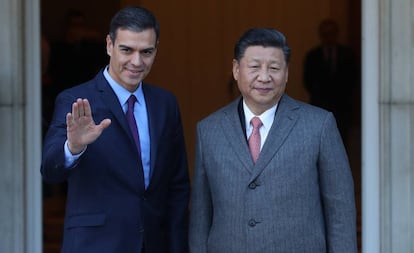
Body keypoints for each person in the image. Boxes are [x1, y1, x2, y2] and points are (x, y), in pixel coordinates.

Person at [189, 28, 357, 252]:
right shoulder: (209, 130)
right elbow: (201, 215)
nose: (265, 77)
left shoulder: (319, 125)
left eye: (275, 68)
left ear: (286, 73)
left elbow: (340, 209)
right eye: (255, 67)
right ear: (236, 69)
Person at [41, 6, 190, 253]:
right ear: (109, 45)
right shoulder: (76, 99)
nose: (137, 61)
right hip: (95, 244)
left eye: (147, 52)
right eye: (127, 50)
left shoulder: (165, 104)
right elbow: (49, 170)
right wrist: (73, 147)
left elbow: (177, 185)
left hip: (153, 244)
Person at [303, 18, 358, 144]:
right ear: (321, 35)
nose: (328, 37)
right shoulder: (313, 56)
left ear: (336, 34)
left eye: (331, 33)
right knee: (319, 142)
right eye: (325, 34)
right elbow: (308, 81)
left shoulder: (347, 54)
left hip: (342, 107)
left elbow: (353, 79)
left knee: (342, 141)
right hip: (320, 105)